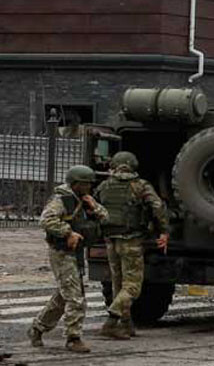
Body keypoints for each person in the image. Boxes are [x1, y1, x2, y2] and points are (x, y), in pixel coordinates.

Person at [28, 165, 107, 353]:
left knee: (64, 297)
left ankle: (38, 328)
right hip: (62, 253)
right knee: (75, 298)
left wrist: (93, 205)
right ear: (75, 184)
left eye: (90, 185)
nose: (88, 188)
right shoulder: (61, 200)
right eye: (85, 184)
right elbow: (46, 220)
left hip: (76, 253)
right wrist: (68, 232)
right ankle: (73, 337)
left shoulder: (83, 199)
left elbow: (105, 216)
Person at [94, 151, 169, 339]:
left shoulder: (104, 186)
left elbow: (94, 206)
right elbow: (158, 207)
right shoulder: (140, 186)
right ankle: (111, 322)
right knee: (133, 287)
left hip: (110, 240)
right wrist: (164, 230)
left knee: (118, 285)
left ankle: (127, 325)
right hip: (131, 240)